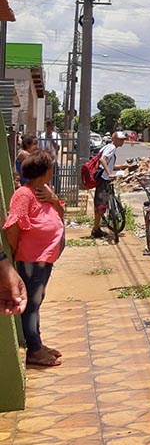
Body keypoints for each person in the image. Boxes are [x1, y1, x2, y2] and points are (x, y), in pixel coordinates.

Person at [3, 150, 66, 367]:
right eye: (52, 167)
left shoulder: (45, 190)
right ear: (46, 170)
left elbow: (60, 215)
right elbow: (12, 225)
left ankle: (37, 342)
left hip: (45, 257)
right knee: (31, 303)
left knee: (37, 302)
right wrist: (17, 249)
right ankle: (34, 349)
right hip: (32, 259)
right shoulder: (24, 194)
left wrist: (54, 199)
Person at [92, 131, 125, 239]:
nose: (122, 141)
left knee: (101, 204)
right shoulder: (111, 148)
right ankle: (96, 230)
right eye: (120, 139)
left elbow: (109, 164)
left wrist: (123, 167)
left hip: (104, 178)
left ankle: (97, 227)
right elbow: (103, 160)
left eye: (123, 139)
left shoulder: (108, 147)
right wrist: (109, 174)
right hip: (104, 179)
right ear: (113, 139)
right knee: (100, 205)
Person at [39, 120, 61, 194]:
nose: (52, 128)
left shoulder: (56, 135)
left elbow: (58, 148)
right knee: (44, 177)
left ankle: (57, 193)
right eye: (50, 126)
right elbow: (39, 148)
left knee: (56, 177)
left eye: (53, 126)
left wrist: (52, 140)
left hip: (53, 160)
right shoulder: (42, 136)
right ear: (47, 126)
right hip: (44, 160)